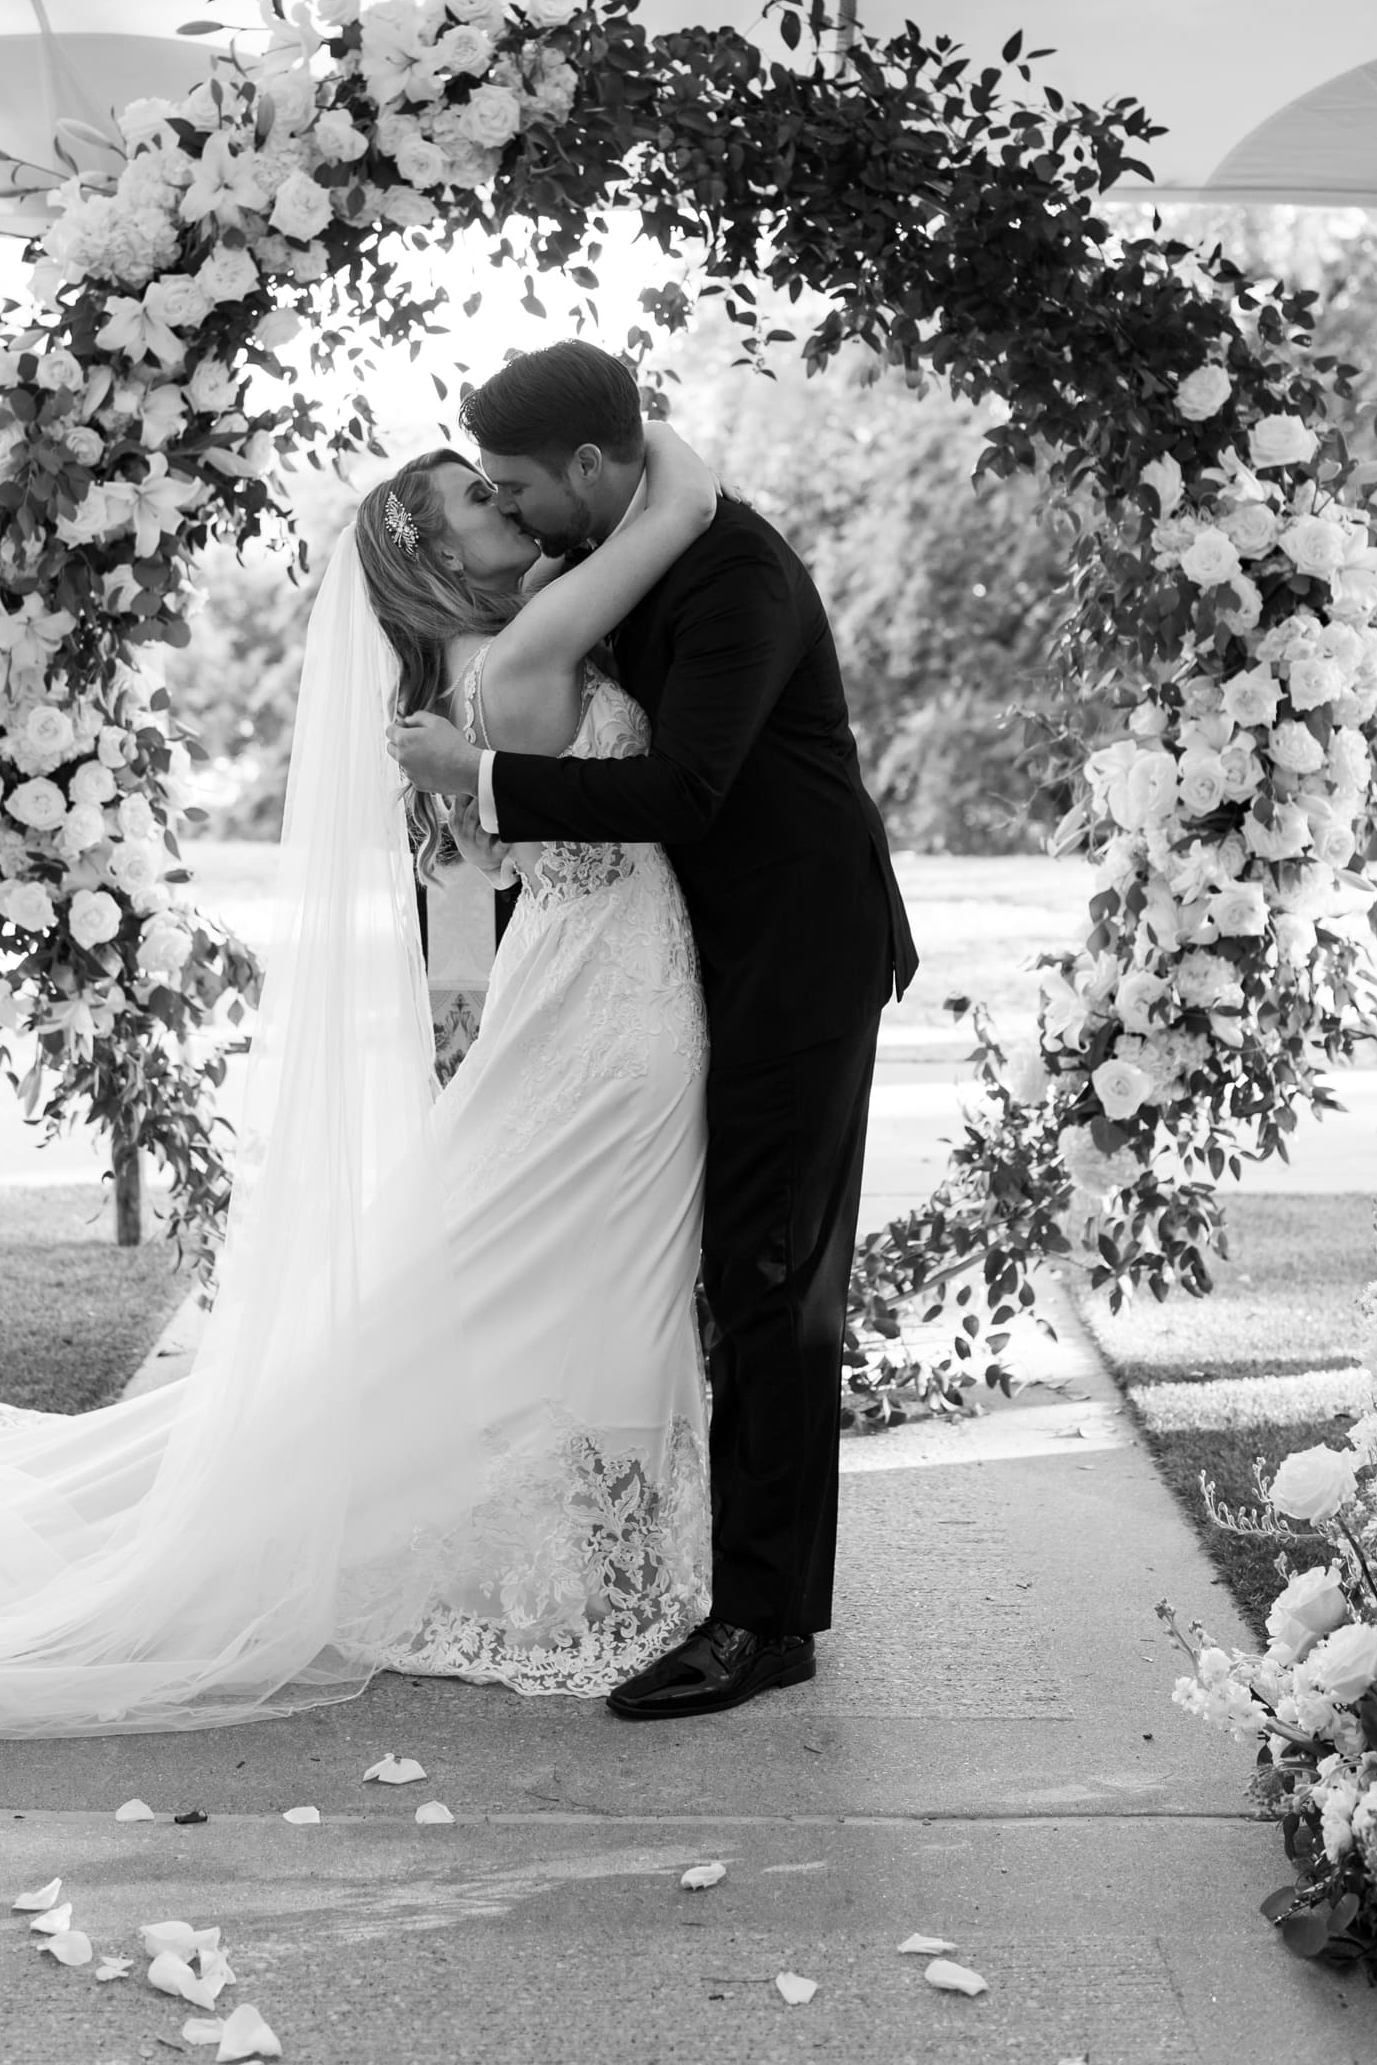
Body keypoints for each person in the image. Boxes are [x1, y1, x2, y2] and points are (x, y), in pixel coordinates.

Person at [0, 424, 724, 1731]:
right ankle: (615, 1566)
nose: (503, 498)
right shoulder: (520, 653)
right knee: (600, 1280)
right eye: (478, 496)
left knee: (559, 1277)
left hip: (596, 986)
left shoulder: (507, 644)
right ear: (424, 556)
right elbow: (676, 503)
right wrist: (633, 454)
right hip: (615, 1002)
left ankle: (615, 1549)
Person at [393, 341, 919, 1721]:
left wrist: (486, 778)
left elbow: (684, 792)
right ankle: (730, 1574)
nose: (507, 510)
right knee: (740, 1270)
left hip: (797, 954)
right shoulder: (630, 551)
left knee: (773, 1278)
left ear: (586, 468)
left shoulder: (733, 572)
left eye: (515, 486)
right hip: (702, 957)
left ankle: (764, 1624)